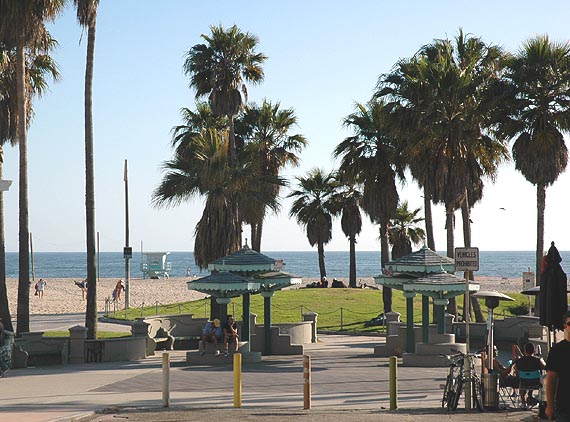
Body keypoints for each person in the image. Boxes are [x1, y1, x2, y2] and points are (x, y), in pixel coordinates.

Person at [546, 310, 570, 421]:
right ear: (565, 325)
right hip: (564, 406)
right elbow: (551, 378)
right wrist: (550, 405)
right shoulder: (557, 350)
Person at [513, 342, 546, 408]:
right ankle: (531, 397)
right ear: (534, 350)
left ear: (524, 350)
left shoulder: (519, 361)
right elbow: (546, 367)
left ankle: (523, 402)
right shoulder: (538, 360)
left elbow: (516, 370)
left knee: (522, 382)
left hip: (523, 382)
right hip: (536, 383)